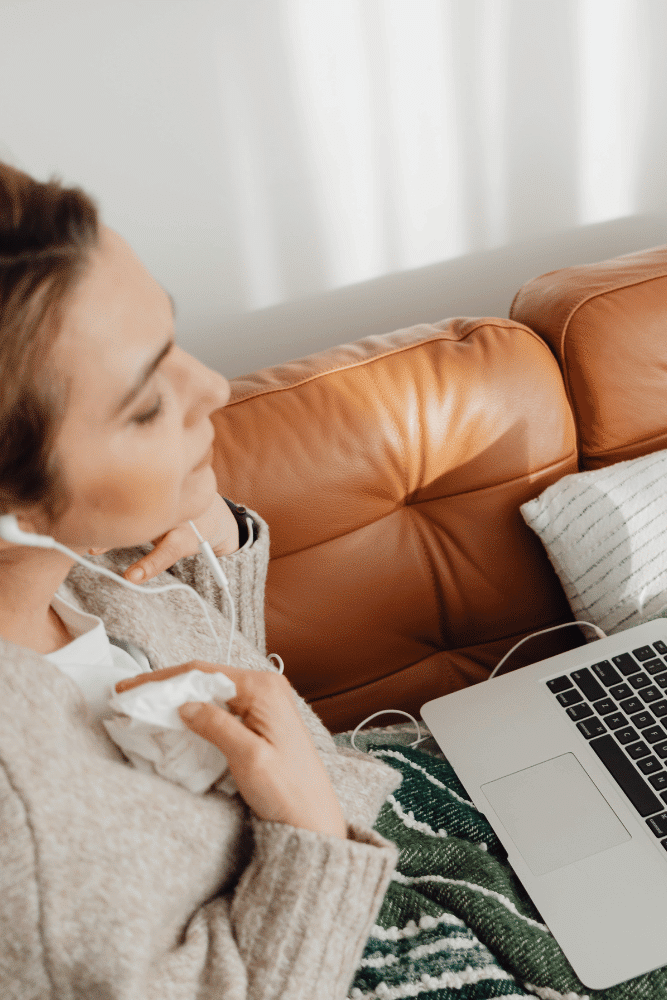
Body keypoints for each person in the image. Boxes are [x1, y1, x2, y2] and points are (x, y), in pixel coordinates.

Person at [0, 161, 401, 997]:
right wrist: (315, 837)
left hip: (411, 838)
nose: (212, 387)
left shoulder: (81, 559)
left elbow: (218, 736)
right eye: (146, 405)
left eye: (171, 339)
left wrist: (213, 548)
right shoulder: (21, 835)